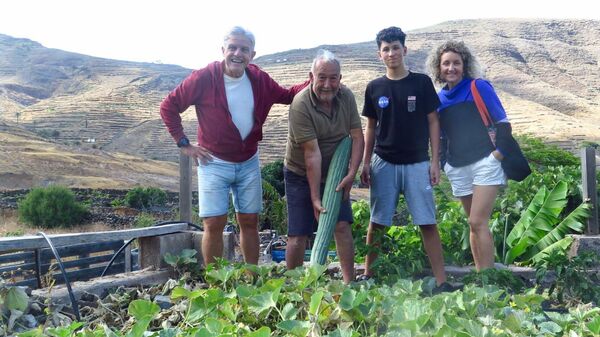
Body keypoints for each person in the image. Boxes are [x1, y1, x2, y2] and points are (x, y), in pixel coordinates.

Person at [160, 26, 307, 266]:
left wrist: (315, 79)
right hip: (213, 162)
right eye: (233, 48)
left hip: (248, 162)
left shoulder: (259, 79)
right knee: (213, 223)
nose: (238, 53)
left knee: (249, 221)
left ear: (253, 54)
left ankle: (252, 276)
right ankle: (216, 284)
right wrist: (184, 144)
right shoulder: (205, 77)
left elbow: (287, 95)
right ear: (223, 50)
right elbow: (169, 106)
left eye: (244, 49)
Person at [358, 26, 449, 288]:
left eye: (395, 47)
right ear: (379, 54)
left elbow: (434, 122)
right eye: (386, 49)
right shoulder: (374, 87)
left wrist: (434, 161)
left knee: (427, 222)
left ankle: (442, 282)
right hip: (383, 162)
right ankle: (369, 275)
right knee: (376, 222)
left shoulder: (420, 83)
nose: (391, 53)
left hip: (418, 162)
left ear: (404, 50)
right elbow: (371, 127)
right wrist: (365, 162)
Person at [284, 50, 364, 284]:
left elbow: (357, 136)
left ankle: (350, 283)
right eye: (322, 77)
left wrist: (351, 173)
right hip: (300, 172)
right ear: (311, 76)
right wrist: (316, 198)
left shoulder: (346, 97)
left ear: (340, 78)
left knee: (341, 225)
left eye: (333, 78)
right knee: (298, 234)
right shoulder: (300, 104)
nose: (327, 84)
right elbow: (312, 155)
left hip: (336, 172)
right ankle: (294, 285)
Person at [427, 40, 509, 271]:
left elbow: (503, 122)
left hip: (485, 162)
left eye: (456, 63)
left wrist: (498, 155)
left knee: (477, 221)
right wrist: (445, 164)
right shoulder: (439, 99)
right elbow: (440, 136)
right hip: (457, 167)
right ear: (438, 67)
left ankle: (489, 276)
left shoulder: (478, 87)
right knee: (472, 225)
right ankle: (481, 274)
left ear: (465, 65)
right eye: (446, 64)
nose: (451, 68)